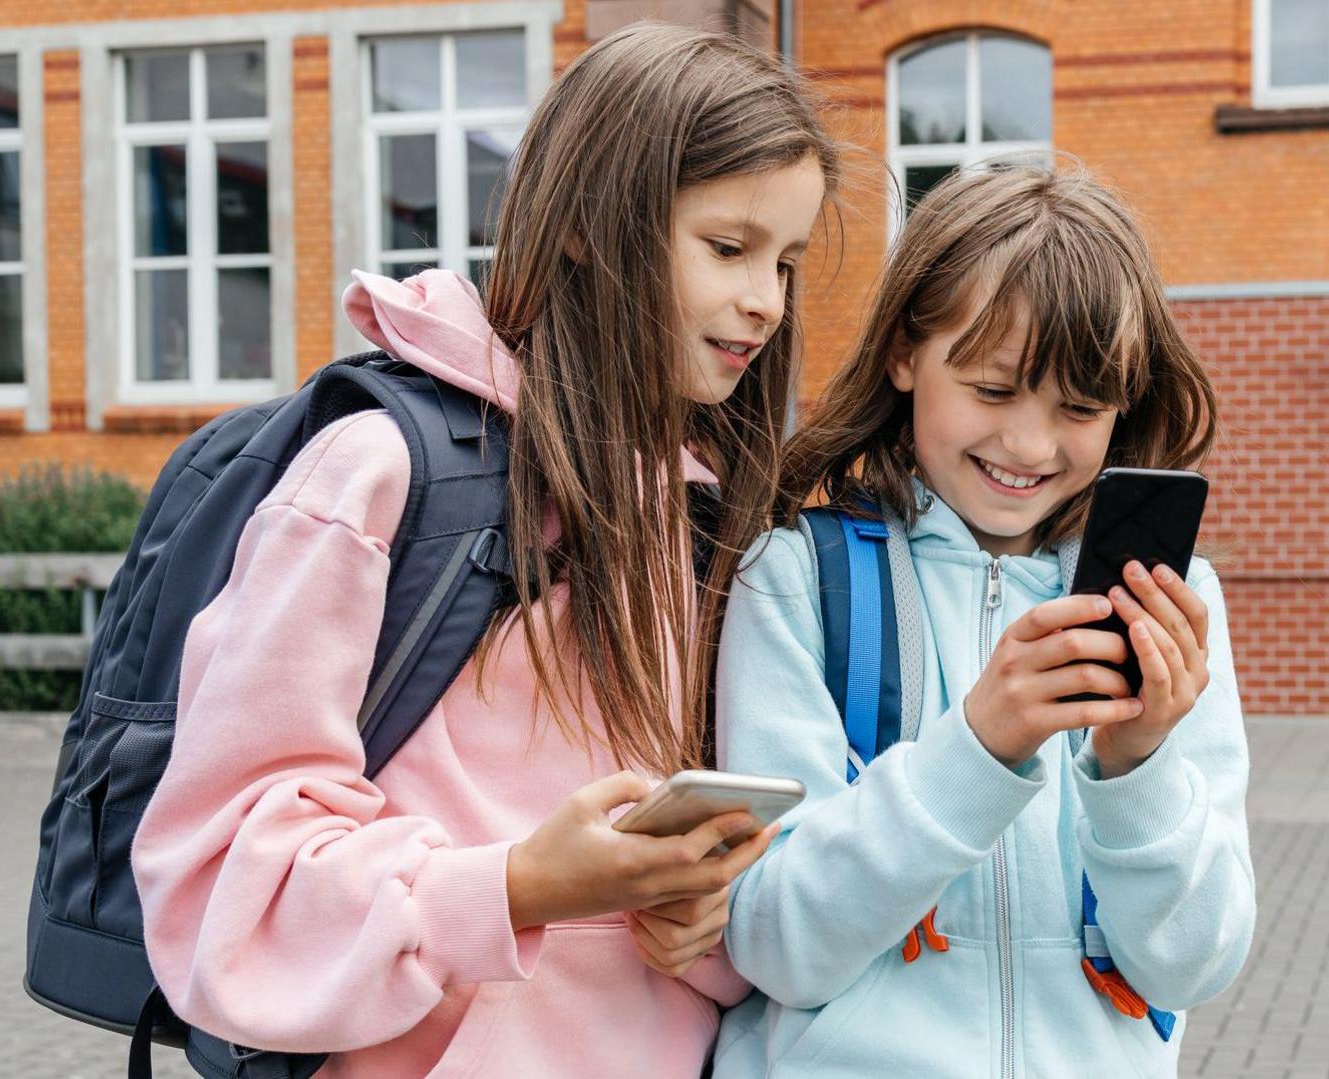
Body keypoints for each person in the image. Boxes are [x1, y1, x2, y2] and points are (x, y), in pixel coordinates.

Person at [130, 23, 836, 1077]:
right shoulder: (377, 477)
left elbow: (694, 900)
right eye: (728, 248)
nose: (766, 301)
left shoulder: (704, 518)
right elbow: (226, 881)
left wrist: (708, 913)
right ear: (592, 226)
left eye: (785, 261)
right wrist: (514, 888)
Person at [712, 163, 1254, 1076]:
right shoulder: (798, 580)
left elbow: (1193, 966)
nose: (1031, 445)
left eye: (1080, 407)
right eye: (994, 390)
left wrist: (1138, 768)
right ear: (904, 353)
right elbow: (775, 944)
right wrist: (979, 746)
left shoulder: (1175, 602)